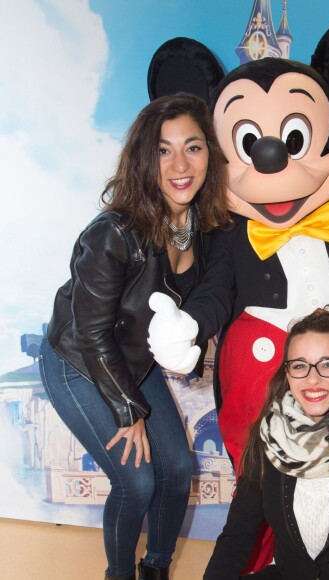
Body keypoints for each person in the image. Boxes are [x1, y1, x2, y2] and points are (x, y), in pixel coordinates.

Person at [39, 93, 231, 580]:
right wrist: (129, 412)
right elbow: (91, 332)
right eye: (164, 150)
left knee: (179, 471)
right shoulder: (113, 233)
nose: (180, 164)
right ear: (145, 158)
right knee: (136, 480)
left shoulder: (202, 227)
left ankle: (156, 568)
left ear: (210, 153)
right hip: (80, 360)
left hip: (132, 361)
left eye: (193, 147)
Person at [203, 308, 329, 580]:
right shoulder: (265, 439)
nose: (313, 379)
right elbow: (237, 536)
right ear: (287, 374)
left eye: (328, 364)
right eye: (300, 365)